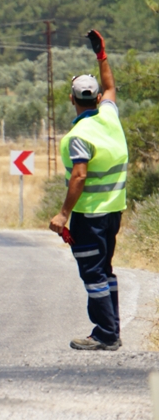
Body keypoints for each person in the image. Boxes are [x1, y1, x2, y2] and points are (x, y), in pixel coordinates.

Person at [49, 29, 128, 352]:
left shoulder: (78, 137)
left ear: (71, 99)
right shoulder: (109, 117)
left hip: (90, 216)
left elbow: (79, 177)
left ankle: (106, 334)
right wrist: (101, 55)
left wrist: (63, 213)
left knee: (92, 274)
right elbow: (110, 86)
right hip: (113, 212)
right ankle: (112, 329)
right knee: (105, 270)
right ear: (96, 99)